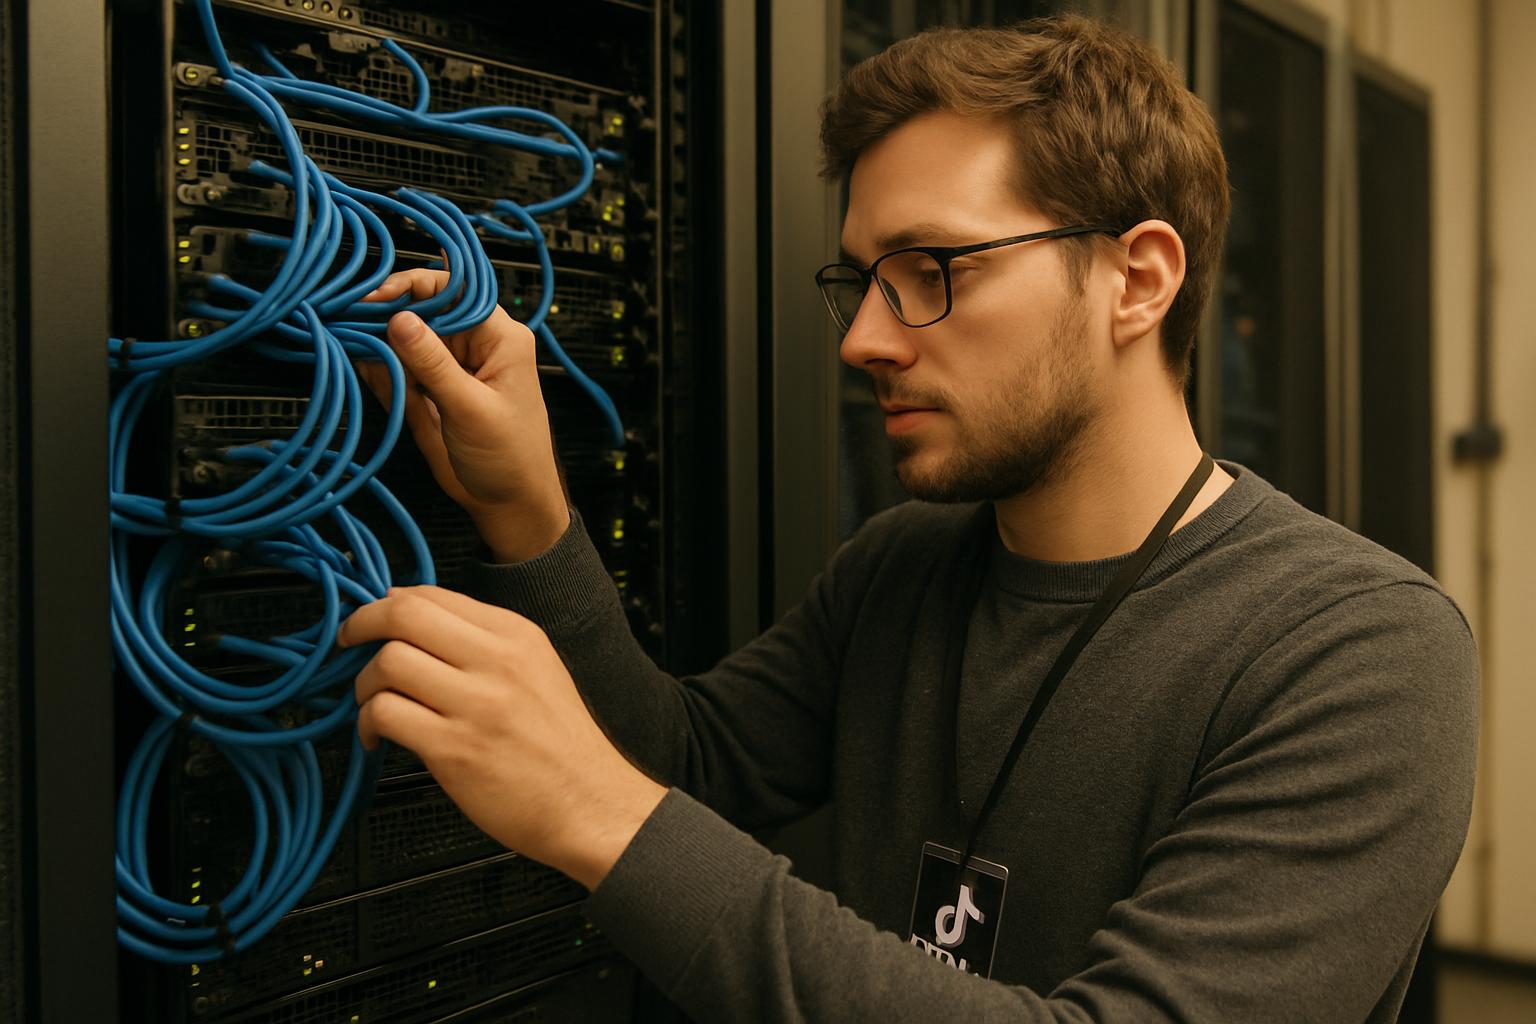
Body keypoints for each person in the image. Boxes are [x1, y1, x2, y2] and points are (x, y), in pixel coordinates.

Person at [337, 15, 1478, 1022]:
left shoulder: (1359, 649)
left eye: (931, 268)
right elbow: (682, 766)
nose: (865, 342)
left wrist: (604, 816)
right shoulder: (903, 566)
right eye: (861, 281)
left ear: (1139, 279)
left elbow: (624, 802)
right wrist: (524, 506)